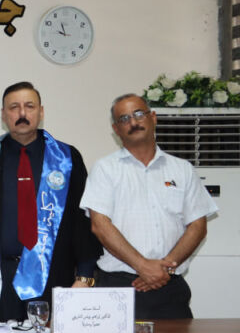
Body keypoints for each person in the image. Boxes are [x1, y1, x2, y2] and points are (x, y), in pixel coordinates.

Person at [0, 81, 99, 322]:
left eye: (29, 106)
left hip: (53, 278)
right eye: (14, 107)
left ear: (41, 112)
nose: (22, 113)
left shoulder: (67, 158)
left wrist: (84, 275)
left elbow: (83, 222)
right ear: (3, 115)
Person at [80, 94, 217, 319]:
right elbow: (100, 225)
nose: (133, 122)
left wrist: (163, 270)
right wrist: (142, 266)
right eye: (124, 119)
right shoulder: (105, 169)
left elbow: (198, 226)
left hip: (170, 287)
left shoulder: (182, 169)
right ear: (116, 129)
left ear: (153, 117)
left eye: (139, 114)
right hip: (119, 287)